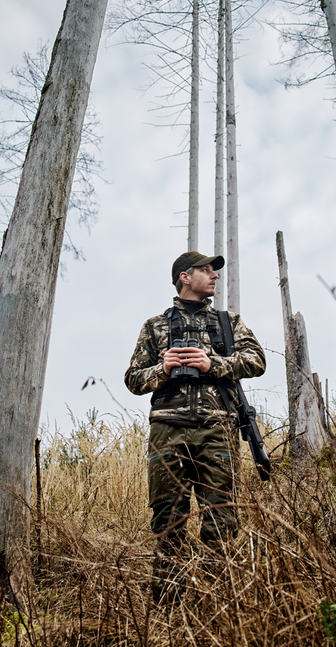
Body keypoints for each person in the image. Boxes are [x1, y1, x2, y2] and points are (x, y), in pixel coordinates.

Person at [124, 251, 266, 601]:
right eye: (206, 270)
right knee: (167, 522)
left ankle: (218, 608)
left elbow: (257, 361)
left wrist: (211, 364)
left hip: (217, 428)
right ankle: (170, 612)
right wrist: (163, 368)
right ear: (185, 277)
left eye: (214, 271)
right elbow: (132, 379)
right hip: (167, 430)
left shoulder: (228, 322)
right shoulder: (154, 326)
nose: (214, 276)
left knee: (221, 520)